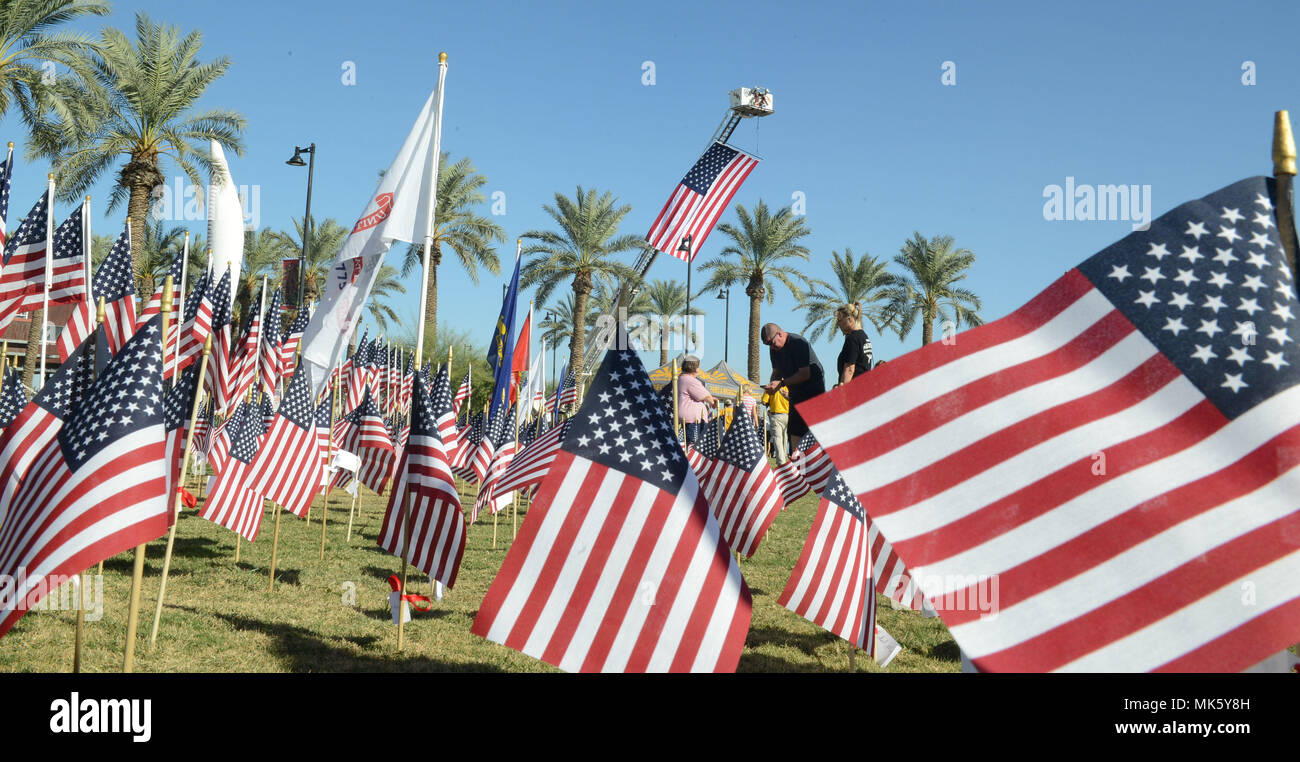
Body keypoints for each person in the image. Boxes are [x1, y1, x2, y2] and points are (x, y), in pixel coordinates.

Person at [761, 323, 826, 440]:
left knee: (815, 433)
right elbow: (776, 372)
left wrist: (781, 384)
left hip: (812, 393)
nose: (771, 347)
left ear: (780, 334)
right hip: (795, 394)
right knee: (795, 432)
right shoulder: (774, 350)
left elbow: (805, 374)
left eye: (771, 343)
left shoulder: (798, 343)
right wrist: (771, 385)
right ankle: (797, 458)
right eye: (768, 345)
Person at [676, 355, 716, 444]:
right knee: (694, 446)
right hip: (693, 420)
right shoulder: (690, 380)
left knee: (689, 444)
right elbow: (705, 396)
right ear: (694, 368)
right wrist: (713, 402)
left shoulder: (681, 378)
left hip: (686, 419)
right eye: (698, 366)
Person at [834, 302, 873, 388]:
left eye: (840, 320)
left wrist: (842, 390)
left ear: (849, 319)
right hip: (864, 387)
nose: (838, 324)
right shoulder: (863, 337)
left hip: (853, 389)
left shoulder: (853, 339)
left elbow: (850, 369)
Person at [761, 385, 791, 463]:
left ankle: (781, 461)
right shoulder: (788, 386)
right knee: (785, 437)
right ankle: (784, 456)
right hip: (787, 415)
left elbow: (764, 401)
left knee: (777, 438)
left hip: (776, 415)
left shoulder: (771, 386)